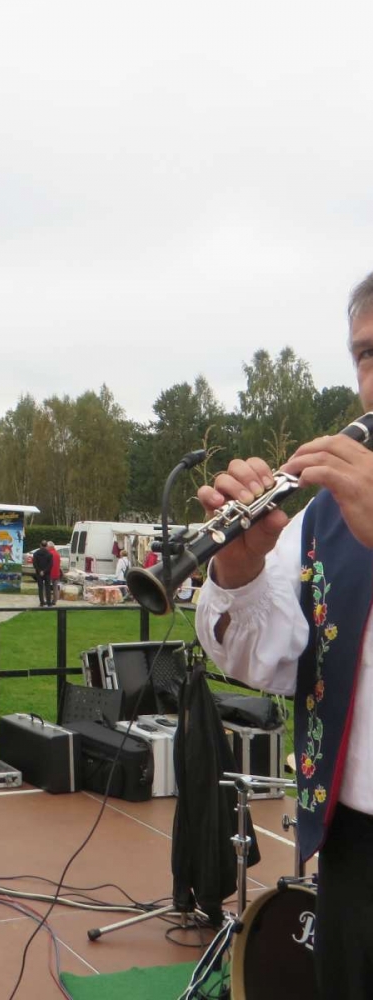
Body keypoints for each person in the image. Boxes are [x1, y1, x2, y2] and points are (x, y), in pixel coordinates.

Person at [194, 270, 373, 999]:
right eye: (366, 354)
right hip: (354, 846)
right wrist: (239, 570)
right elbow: (270, 662)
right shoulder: (328, 511)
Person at [32, 542, 54, 606]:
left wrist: (40, 571)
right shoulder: (49, 554)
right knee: (48, 588)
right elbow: (50, 565)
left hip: (39, 573)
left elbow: (35, 564)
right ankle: (49, 602)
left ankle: (42, 602)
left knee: (40, 588)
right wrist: (44, 571)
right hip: (47, 573)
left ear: (40, 545)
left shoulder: (36, 554)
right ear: (46, 546)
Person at [48, 540, 62, 604]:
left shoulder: (49, 553)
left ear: (50, 546)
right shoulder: (57, 554)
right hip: (56, 573)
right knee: (55, 587)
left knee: (47, 587)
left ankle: (47, 599)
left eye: (47, 546)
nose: (47, 548)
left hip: (50, 573)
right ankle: (55, 600)